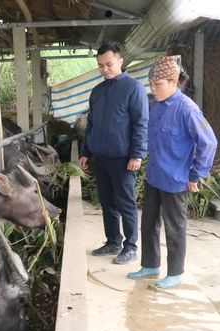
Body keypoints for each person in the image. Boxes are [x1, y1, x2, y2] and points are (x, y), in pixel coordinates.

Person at [128, 55, 217, 288]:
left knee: (174, 227)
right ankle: (150, 265)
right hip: (155, 176)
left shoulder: (187, 109)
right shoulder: (156, 105)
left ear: (173, 81)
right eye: (151, 84)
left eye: (158, 85)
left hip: (177, 180)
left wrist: (195, 174)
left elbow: (208, 142)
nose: (153, 89)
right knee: (148, 223)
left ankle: (175, 272)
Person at [79, 42, 149, 265]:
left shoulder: (133, 87)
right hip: (102, 157)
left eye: (109, 64)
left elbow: (141, 123)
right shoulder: (97, 91)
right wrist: (85, 151)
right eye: (101, 65)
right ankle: (112, 241)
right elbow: (91, 124)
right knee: (107, 202)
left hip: (124, 159)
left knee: (125, 203)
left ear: (120, 61)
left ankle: (130, 246)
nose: (105, 69)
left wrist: (137, 155)